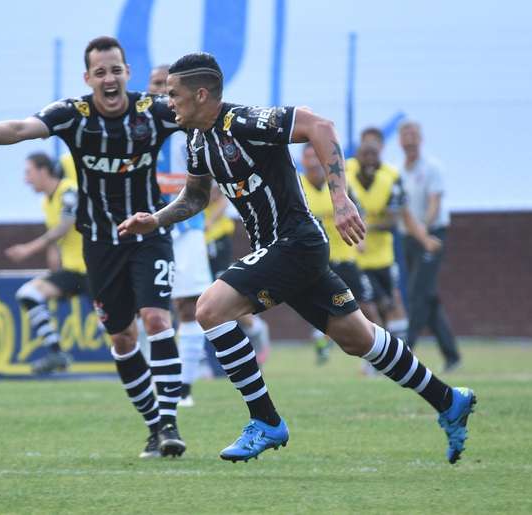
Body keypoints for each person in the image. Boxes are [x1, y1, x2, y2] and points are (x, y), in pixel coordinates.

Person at [119, 52, 476, 464]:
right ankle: (449, 399)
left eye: (174, 94)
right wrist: (157, 219)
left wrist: (341, 198)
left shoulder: (245, 122)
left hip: (295, 242)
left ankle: (266, 420)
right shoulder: (197, 141)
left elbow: (319, 126)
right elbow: (197, 195)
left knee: (210, 308)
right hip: (281, 251)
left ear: (201, 95)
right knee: (357, 337)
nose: (167, 103)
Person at [0, 36, 186, 459]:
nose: (109, 78)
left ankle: (170, 423)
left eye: (116, 69)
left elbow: (208, 115)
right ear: (88, 78)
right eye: (100, 72)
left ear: (127, 73)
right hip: (98, 244)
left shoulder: (152, 113)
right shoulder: (73, 115)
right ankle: (153, 425)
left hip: (149, 233)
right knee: (121, 338)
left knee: (155, 318)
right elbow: (23, 129)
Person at [149, 64, 214, 408]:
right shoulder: (137, 127)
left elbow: (210, 183)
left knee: (188, 306)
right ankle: (155, 383)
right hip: (145, 226)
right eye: (156, 85)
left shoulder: (190, 126)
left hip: (185, 229)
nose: (162, 92)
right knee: (145, 308)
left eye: (168, 87)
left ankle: (182, 389)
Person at [346, 135, 441, 343]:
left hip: (383, 256)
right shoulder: (346, 175)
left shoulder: (390, 178)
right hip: (358, 258)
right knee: (369, 305)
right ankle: (378, 351)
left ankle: (397, 349)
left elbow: (397, 218)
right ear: (357, 156)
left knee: (391, 304)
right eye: (365, 154)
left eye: (374, 154)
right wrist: (360, 235)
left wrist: (424, 239)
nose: (370, 159)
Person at [4, 152, 85, 374]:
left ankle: (149, 367)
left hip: (96, 269)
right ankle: (56, 353)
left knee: (122, 329)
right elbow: (56, 235)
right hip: (73, 271)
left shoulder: (68, 190)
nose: (26, 179)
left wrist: (28, 249)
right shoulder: (45, 201)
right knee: (28, 294)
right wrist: (53, 255)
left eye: (28, 172)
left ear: (43, 171)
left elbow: (64, 225)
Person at [300, 143, 380, 364]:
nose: (313, 162)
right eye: (308, 157)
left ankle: (377, 354)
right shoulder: (297, 186)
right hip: (316, 260)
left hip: (346, 255)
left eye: (316, 157)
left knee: (365, 305)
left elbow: (358, 212)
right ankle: (322, 340)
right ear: (303, 161)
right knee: (321, 307)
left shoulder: (339, 185)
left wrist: (360, 237)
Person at [398, 121, 461, 371]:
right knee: (429, 296)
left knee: (417, 294)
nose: (409, 139)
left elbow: (435, 203)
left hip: (432, 235)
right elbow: (400, 209)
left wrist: (423, 230)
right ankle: (452, 355)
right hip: (409, 237)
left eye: (413, 135)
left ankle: (405, 352)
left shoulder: (432, 168)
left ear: (420, 139)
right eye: (405, 135)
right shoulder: (397, 171)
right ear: (400, 141)